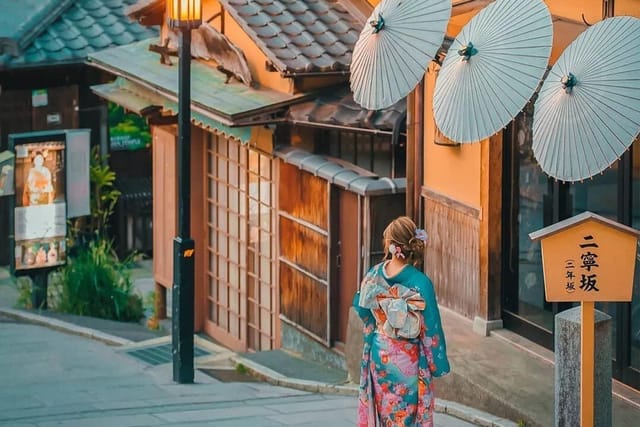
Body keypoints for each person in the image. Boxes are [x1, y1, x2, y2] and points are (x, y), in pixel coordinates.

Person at [353, 216, 450, 426]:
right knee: (405, 416)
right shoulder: (421, 283)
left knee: (384, 413)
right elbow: (430, 329)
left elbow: (362, 308)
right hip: (408, 360)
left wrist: (381, 321)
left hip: (379, 356)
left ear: (391, 246)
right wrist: (436, 363)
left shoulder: (374, 273)